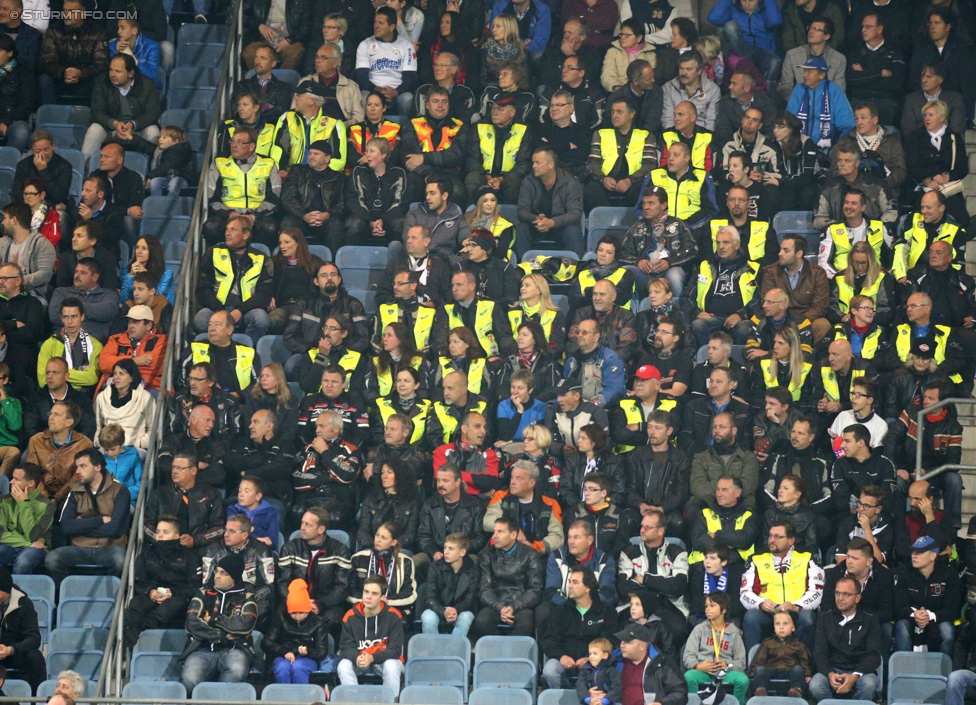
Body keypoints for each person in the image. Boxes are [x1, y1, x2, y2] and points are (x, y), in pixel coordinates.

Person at [44, 449, 130, 585]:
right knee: (52, 559)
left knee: (121, 560)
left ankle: (113, 598)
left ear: (97, 467)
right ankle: (68, 595)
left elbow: (116, 529)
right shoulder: (74, 491)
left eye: (83, 466)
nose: (77, 471)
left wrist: (81, 525)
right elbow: (67, 527)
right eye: (77, 467)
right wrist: (101, 520)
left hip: (109, 548)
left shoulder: (120, 491)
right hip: (79, 549)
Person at [180, 553, 258, 694]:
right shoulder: (203, 593)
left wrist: (213, 619)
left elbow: (245, 624)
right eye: (216, 571)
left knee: (236, 672)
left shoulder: (247, 597)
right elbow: (192, 622)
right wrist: (221, 635)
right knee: (189, 679)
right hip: (201, 648)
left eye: (223, 573)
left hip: (235, 649)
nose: (217, 576)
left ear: (234, 577)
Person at [740, 521, 824, 651]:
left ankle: (807, 665)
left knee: (807, 619)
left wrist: (797, 606)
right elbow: (745, 593)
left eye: (778, 537)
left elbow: (816, 592)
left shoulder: (808, 557)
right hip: (768, 612)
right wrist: (761, 603)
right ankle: (753, 665)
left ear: (791, 540)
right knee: (751, 618)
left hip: (797, 610)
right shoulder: (756, 559)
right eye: (770, 536)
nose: (772, 540)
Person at [122, 515, 201, 649]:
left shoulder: (190, 556)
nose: (160, 536)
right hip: (151, 594)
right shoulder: (147, 553)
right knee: (135, 606)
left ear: (177, 536)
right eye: (158, 532)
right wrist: (150, 591)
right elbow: (137, 580)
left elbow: (195, 586)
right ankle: (131, 646)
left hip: (178, 597)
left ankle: (142, 638)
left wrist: (173, 593)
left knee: (170, 607)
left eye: (165, 532)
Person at [276, 507, 352, 639]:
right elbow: (282, 582)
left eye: (308, 525)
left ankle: (325, 652)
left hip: (325, 604)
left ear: (321, 529)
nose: (302, 528)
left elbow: (342, 587)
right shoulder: (290, 548)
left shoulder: (340, 551)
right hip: (295, 602)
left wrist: (319, 604)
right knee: (279, 613)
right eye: (302, 523)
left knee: (335, 617)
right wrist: (299, 603)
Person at [202, 127, 281, 249]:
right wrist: (229, 214)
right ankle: (218, 257)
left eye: (240, 142)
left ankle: (263, 259)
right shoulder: (219, 164)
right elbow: (211, 198)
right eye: (233, 141)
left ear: (251, 146)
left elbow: (274, 199)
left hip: (257, 215)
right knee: (211, 226)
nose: (234, 145)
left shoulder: (268, 164)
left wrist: (253, 216)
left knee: (269, 227)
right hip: (227, 215)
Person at [541, 566, 618, 689]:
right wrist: (562, 656)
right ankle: (566, 698)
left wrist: (591, 658)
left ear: (588, 587)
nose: (570, 586)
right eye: (569, 582)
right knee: (550, 670)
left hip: (594, 661)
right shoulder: (559, 611)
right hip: (564, 660)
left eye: (575, 582)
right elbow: (549, 639)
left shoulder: (607, 611)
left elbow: (611, 642)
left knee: (602, 670)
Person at [808, 576, 881, 702]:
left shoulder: (870, 619)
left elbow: (873, 655)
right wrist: (830, 673)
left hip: (860, 671)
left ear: (857, 598)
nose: (840, 598)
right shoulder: (825, 618)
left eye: (846, 594)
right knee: (816, 685)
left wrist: (855, 675)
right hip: (833, 669)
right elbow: (820, 653)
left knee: (869, 684)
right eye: (837, 593)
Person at [904, 99, 971, 227]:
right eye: (925, 115)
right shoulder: (915, 137)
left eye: (931, 115)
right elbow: (912, 167)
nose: (927, 118)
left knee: (960, 220)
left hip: (948, 190)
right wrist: (928, 181)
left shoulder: (954, 137)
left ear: (942, 117)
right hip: (924, 188)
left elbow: (962, 167)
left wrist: (946, 177)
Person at [474, 515, 545, 635]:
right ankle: (498, 653)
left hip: (521, 604)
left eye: (500, 532)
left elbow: (535, 589)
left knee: (526, 623)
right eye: (494, 531)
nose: (494, 536)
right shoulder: (486, 555)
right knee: (482, 621)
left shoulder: (530, 555)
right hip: (495, 603)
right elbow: (484, 588)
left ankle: (512, 653)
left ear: (513, 535)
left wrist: (513, 606)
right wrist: (500, 607)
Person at [337, 574, 404, 695]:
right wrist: (356, 657)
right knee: (343, 666)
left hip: (385, 660)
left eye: (374, 593)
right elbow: (346, 647)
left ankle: (389, 702)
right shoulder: (350, 616)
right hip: (360, 660)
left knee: (392, 666)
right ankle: (354, 703)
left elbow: (395, 650)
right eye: (366, 592)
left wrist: (372, 658)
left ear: (382, 597)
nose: (368, 597)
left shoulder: (394, 616)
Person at [585, 97, 657, 210]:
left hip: (634, 182)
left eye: (619, 112)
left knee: (641, 190)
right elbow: (593, 162)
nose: (614, 116)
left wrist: (630, 180)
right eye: (613, 112)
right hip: (606, 182)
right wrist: (603, 179)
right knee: (591, 190)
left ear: (632, 114)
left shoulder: (645, 135)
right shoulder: (600, 134)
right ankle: (607, 222)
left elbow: (650, 164)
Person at [908, 8, 976, 123]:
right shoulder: (921, 50)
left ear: (948, 26)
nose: (932, 27)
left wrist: (967, 113)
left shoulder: (961, 50)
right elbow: (914, 79)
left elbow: (967, 83)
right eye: (930, 23)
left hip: (953, 105)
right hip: (926, 105)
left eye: (937, 23)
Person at [759, 236, 831, 344]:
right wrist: (785, 321)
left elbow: (820, 306)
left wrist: (799, 322)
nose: (780, 253)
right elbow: (767, 301)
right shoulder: (771, 271)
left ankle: (812, 357)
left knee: (823, 325)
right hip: (778, 318)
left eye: (786, 250)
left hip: (807, 319)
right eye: (780, 249)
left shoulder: (817, 273)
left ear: (799, 254)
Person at [37, 0, 109, 104]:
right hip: (60, 78)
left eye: (71, 11)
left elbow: (101, 63)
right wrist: (64, 72)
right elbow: (46, 60)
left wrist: (81, 73)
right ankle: (49, 116)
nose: (66, 15)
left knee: (100, 79)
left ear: (83, 13)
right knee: (44, 80)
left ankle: (96, 117)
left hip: (86, 79)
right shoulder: (54, 30)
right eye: (65, 11)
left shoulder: (98, 32)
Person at [464, 96, 531, 205]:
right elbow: (472, 159)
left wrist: (501, 178)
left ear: (512, 112)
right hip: (484, 174)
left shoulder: (523, 129)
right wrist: (487, 176)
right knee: (472, 178)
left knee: (514, 181)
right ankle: (473, 217)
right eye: (493, 108)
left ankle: (509, 219)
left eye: (500, 109)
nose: (495, 112)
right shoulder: (479, 126)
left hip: (508, 176)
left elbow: (524, 163)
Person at [682, 592, 749, 702]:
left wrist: (727, 665)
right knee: (689, 676)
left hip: (726, 673)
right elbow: (688, 655)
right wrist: (698, 666)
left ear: (724, 610)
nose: (708, 609)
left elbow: (741, 662)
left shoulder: (734, 633)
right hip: (703, 672)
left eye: (712, 606)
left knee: (742, 680)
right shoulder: (699, 629)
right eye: (706, 606)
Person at [517, 147, 585, 255]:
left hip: (560, 226)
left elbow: (575, 213)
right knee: (522, 228)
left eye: (537, 163)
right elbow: (522, 211)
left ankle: (576, 267)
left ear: (551, 164)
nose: (533, 166)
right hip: (536, 225)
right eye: (533, 162)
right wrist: (536, 218)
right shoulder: (528, 181)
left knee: (573, 230)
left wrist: (552, 222)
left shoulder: (570, 182)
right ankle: (521, 266)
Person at [279, 142, 346, 252]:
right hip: (300, 217)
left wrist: (327, 215)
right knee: (288, 223)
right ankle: (290, 264)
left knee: (335, 225)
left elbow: (342, 204)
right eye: (310, 153)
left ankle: (332, 264)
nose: (311, 156)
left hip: (326, 220)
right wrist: (304, 215)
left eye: (316, 154)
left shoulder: (338, 177)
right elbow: (288, 199)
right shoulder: (297, 171)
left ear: (327, 158)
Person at [689, 413, 760, 510]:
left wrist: (715, 487)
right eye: (714, 427)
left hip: (739, 506)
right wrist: (728, 489)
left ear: (734, 430)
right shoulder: (701, 457)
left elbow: (747, 487)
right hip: (709, 504)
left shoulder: (747, 457)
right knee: (692, 505)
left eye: (722, 427)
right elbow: (697, 488)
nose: (717, 430)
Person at [355, 6, 417, 116]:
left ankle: (403, 131)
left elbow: (410, 77)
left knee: (408, 98)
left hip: (397, 92)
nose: (376, 26)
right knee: (363, 96)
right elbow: (361, 76)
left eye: (381, 23)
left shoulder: (406, 46)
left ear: (392, 27)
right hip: (372, 90)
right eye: (375, 22)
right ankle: (365, 130)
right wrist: (376, 89)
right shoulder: (365, 44)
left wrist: (396, 92)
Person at [344, 137, 407, 246]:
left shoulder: (398, 173)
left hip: (389, 218)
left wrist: (383, 220)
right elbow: (353, 201)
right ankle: (352, 261)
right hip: (364, 218)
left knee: (400, 222)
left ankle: (396, 261)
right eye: (367, 151)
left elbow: (400, 203)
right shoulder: (358, 171)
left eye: (372, 151)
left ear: (383, 155)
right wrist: (371, 221)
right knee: (354, 223)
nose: (367, 155)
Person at [263, 579, 328, 684]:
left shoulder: (318, 623)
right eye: (293, 613)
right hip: (283, 656)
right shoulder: (281, 617)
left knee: (298, 667)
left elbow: (322, 651)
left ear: (307, 610)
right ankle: (282, 699)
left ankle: (300, 699)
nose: (297, 616)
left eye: (301, 612)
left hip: (307, 659)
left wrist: (308, 652)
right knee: (282, 667)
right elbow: (266, 642)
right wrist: (283, 651)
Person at [26, 400, 93, 502]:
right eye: (50, 413)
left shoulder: (84, 444)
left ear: (69, 422)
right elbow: (32, 474)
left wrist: (57, 498)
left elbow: (77, 477)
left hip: (70, 496)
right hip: (40, 496)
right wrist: (46, 499)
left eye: (56, 415)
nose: (51, 418)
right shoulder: (36, 440)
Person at [785, 56, 854, 153]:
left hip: (827, 148)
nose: (804, 75)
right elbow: (788, 119)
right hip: (798, 146)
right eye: (804, 71)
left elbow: (847, 124)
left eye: (809, 71)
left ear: (821, 75)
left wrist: (837, 148)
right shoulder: (799, 89)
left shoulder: (834, 90)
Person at [680, 368, 752, 455]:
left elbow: (746, 443)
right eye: (711, 381)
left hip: (732, 462)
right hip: (699, 460)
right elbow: (685, 438)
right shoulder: (693, 407)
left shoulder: (744, 411)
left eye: (718, 382)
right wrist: (703, 457)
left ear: (731, 385)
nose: (713, 385)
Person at [689, 475, 757, 567]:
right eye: (718, 489)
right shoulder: (705, 513)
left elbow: (744, 540)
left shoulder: (748, 516)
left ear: (738, 492)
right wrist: (729, 544)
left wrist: (716, 535)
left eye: (724, 490)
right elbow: (697, 541)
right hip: (703, 566)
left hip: (737, 566)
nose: (719, 494)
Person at [614, 622, 687, 705]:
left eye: (627, 642)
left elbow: (680, 692)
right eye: (621, 641)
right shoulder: (613, 661)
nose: (621, 645)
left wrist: (661, 703)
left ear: (642, 646)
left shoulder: (662, 663)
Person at [420, 531, 478, 635]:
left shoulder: (472, 570)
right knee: (428, 618)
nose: (445, 552)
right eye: (445, 547)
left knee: (465, 618)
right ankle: (433, 650)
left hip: (461, 610)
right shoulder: (435, 566)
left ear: (462, 552)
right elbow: (430, 596)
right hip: (437, 608)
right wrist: (443, 611)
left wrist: (456, 610)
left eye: (451, 549)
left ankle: (452, 650)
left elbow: (470, 599)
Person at [0, 464, 52, 575]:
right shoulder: (4, 501)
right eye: (12, 477)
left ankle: (20, 592)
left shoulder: (46, 505)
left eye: (16, 479)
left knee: (24, 561)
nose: (11, 482)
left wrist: (23, 504)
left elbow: (34, 535)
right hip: (14, 545)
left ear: (31, 483)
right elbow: (0, 533)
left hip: (37, 550)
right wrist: (27, 543)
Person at [0, 203, 56, 304]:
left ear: (14, 220)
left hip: (33, 294)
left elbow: (45, 275)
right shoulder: (2, 243)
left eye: (5, 218)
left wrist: (16, 282)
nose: (3, 222)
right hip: (4, 292)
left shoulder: (42, 244)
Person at [0, 565, 44, 690]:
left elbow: (34, 638)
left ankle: (36, 700)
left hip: (14, 653)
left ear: (5, 590)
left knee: (35, 658)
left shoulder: (24, 604)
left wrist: (10, 650)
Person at [300, 40, 365, 124]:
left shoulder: (350, 86)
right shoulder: (305, 83)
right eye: (317, 57)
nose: (317, 61)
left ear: (335, 63)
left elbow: (358, 117)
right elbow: (294, 112)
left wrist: (342, 127)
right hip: (310, 131)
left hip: (341, 132)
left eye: (323, 57)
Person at [902, 62, 967, 137]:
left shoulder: (954, 99)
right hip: (920, 143)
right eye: (922, 76)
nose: (924, 80)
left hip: (947, 143)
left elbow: (957, 127)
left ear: (940, 80)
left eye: (929, 77)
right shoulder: (911, 99)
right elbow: (908, 129)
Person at [237, 45, 297, 122]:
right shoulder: (242, 85)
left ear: (273, 63)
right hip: (247, 129)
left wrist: (252, 111)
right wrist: (266, 106)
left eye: (263, 58)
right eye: (256, 57)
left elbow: (282, 113)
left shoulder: (284, 88)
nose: (257, 62)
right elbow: (235, 109)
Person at [413, 51, 476, 124]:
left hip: (458, 133)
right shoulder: (424, 91)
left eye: (442, 65)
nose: (437, 69)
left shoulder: (465, 93)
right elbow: (417, 120)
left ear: (454, 69)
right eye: (436, 65)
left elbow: (470, 120)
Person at [0, 35, 32, 154]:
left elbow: (26, 104)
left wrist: (6, 121)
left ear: (9, 53)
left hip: (14, 120)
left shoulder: (24, 74)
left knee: (21, 132)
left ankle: (9, 165)